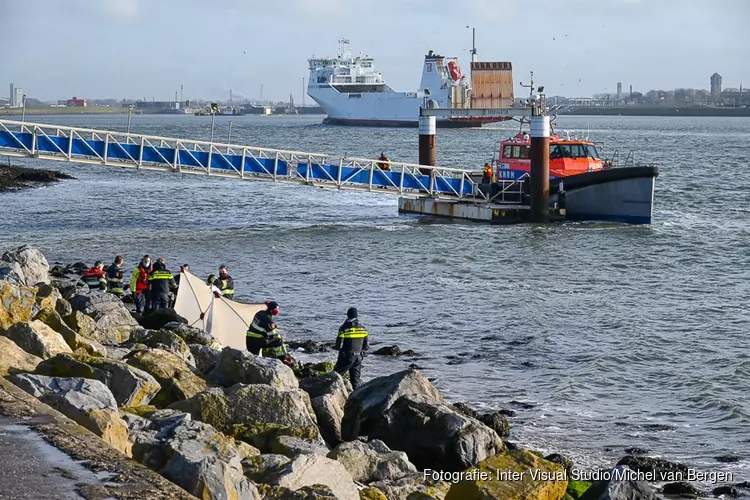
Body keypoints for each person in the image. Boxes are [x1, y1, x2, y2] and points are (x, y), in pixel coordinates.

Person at [334, 307, 369, 390]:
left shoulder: (344, 328)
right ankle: (356, 400)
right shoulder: (363, 328)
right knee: (355, 383)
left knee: (335, 377)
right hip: (359, 358)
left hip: (347, 357)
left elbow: (338, 346)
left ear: (348, 315)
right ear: (357, 316)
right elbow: (366, 346)